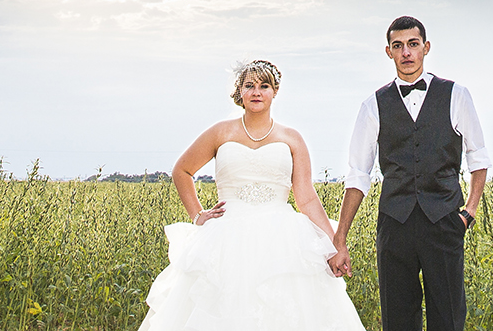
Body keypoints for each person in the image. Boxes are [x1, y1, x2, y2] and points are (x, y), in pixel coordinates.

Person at [138, 59, 366, 331]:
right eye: (249, 86)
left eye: (264, 85)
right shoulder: (220, 133)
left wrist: (334, 244)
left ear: (275, 91)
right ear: (240, 92)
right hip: (226, 236)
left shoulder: (292, 138)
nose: (257, 92)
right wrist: (198, 215)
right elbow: (182, 171)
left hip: (283, 239)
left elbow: (305, 198)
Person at [333, 16, 490, 331]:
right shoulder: (373, 105)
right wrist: (340, 238)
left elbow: (479, 158)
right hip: (395, 225)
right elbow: (358, 175)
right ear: (388, 52)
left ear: (426, 48)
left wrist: (468, 213)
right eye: (398, 45)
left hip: (445, 222)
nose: (406, 52)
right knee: (398, 320)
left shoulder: (456, 95)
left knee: (448, 318)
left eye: (413, 44)